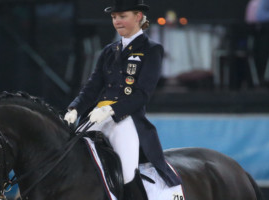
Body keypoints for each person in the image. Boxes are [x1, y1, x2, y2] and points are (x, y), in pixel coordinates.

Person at [63, 0, 181, 198]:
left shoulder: (151, 50)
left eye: (122, 16)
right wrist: (74, 108)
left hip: (125, 120)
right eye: (114, 17)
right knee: (70, 160)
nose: (117, 21)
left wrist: (111, 110)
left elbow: (142, 94)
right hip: (95, 117)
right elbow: (92, 87)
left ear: (137, 17)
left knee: (126, 173)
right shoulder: (109, 51)